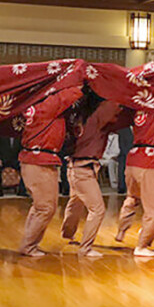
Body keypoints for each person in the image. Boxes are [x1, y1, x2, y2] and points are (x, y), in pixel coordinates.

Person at [18, 87, 83, 257]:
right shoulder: (46, 106)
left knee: (43, 206)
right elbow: (71, 93)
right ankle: (28, 246)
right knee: (45, 208)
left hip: (41, 160)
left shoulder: (38, 107)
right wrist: (78, 79)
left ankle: (30, 243)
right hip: (38, 161)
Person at [61, 100, 124, 258]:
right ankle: (85, 248)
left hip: (73, 167)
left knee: (75, 201)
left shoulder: (80, 116)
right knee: (97, 209)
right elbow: (115, 107)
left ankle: (67, 234)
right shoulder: (98, 115)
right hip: (83, 169)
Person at [115, 110, 154, 258]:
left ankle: (121, 231)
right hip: (149, 160)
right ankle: (142, 246)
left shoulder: (138, 109)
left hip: (133, 157)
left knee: (132, 197)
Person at [117, 127, 134, 194]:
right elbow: (121, 142)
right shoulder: (123, 129)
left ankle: (132, 187)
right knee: (122, 168)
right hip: (124, 153)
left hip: (134, 153)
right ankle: (122, 187)